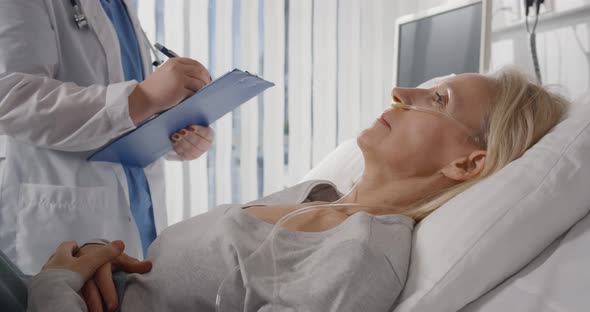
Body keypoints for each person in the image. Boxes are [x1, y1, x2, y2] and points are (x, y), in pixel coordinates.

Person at [25, 67, 569, 311]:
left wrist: (52, 287)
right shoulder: (318, 193)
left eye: (439, 100)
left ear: (466, 163)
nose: (403, 92)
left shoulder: (360, 259)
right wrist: (100, 259)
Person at [0, 0, 214, 278]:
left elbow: (128, 108)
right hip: (60, 218)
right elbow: (12, 98)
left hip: (139, 216)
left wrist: (177, 130)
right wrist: (142, 99)